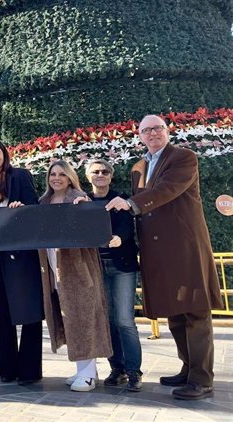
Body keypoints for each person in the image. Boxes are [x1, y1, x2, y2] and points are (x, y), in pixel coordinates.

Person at [106, 115, 223, 400]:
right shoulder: (138, 167)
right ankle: (188, 368)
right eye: (146, 130)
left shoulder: (183, 157)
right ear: (140, 136)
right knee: (175, 312)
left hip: (184, 247)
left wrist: (132, 203)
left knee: (195, 311)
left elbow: (168, 189)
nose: (153, 133)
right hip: (156, 252)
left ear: (167, 131)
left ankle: (202, 379)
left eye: (158, 128)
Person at [39, 160, 112, 392]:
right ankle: (85, 369)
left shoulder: (79, 199)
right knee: (69, 317)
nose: (57, 178)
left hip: (78, 269)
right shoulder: (43, 202)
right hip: (54, 267)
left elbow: (92, 231)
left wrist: (84, 210)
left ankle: (88, 374)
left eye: (62, 174)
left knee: (83, 317)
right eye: (53, 174)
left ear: (70, 177)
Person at [0, 140, 45, 386]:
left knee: (27, 308)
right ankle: (8, 368)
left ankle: (29, 370)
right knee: (4, 310)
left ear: (4, 154)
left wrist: (22, 208)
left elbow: (34, 208)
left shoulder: (20, 176)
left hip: (21, 252)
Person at [85, 159, 143, 392]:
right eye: (95, 171)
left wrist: (120, 237)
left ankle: (134, 371)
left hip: (122, 267)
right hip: (96, 268)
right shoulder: (83, 202)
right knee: (108, 321)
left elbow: (129, 228)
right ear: (87, 176)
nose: (100, 174)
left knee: (124, 321)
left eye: (104, 171)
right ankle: (116, 368)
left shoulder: (121, 199)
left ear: (110, 175)